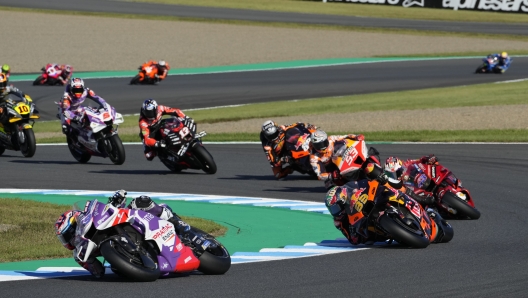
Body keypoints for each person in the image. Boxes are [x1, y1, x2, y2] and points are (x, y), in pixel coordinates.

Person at [54, 190, 190, 278]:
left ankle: (175, 221)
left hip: (131, 222)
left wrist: (116, 200)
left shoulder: (92, 218)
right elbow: (98, 272)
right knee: (116, 270)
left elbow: (110, 207)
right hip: (130, 257)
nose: (69, 239)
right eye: (64, 237)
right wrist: (90, 262)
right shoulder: (80, 255)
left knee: (141, 202)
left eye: (69, 232)